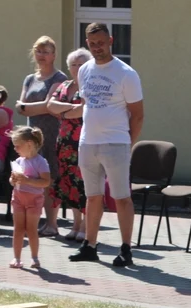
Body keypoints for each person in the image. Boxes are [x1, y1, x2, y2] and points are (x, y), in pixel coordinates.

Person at [69, 23, 144, 267]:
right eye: (92, 44)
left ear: (110, 40)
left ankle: (125, 249)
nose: (97, 48)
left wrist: (127, 143)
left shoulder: (126, 73)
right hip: (88, 142)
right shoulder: (85, 70)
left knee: (122, 197)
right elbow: (87, 104)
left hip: (116, 142)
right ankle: (90, 245)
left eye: (100, 43)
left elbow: (138, 114)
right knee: (92, 197)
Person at [16, 36, 66, 237]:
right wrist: (29, 108)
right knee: (32, 175)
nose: (42, 56)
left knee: (49, 177)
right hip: (32, 135)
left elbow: (49, 105)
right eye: (39, 51)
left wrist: (28, 108)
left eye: (46, 52)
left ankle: (52, 223)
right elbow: (20, 106)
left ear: (54, 55)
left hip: (52, 133)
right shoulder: (30, 79)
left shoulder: (59, 78)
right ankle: (37, 221)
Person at [47, 48, 92, 242]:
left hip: (84, 140)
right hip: (64, 143)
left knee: (84, 184)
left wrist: (63, 112)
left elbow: (83, 110)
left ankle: (85, 225)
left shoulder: (90, 85)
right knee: (69, 183)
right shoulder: (64, 85)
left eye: (81, 64)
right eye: (73, 64)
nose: (77, 68)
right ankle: (75, 224)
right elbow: (50, 105)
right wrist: (70, 110)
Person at [8, 126, 50, 269]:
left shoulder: (41, 162)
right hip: (18, 197)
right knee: (18, 228)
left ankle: (35, 257)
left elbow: (45, 181)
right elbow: (12, 179)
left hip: (34, 199)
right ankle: (17, 257)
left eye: (18, 146)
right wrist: (13, 180)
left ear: (29, 144)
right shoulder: (19, 161)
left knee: (31, 229)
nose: (15, 149)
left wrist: (26, 180)